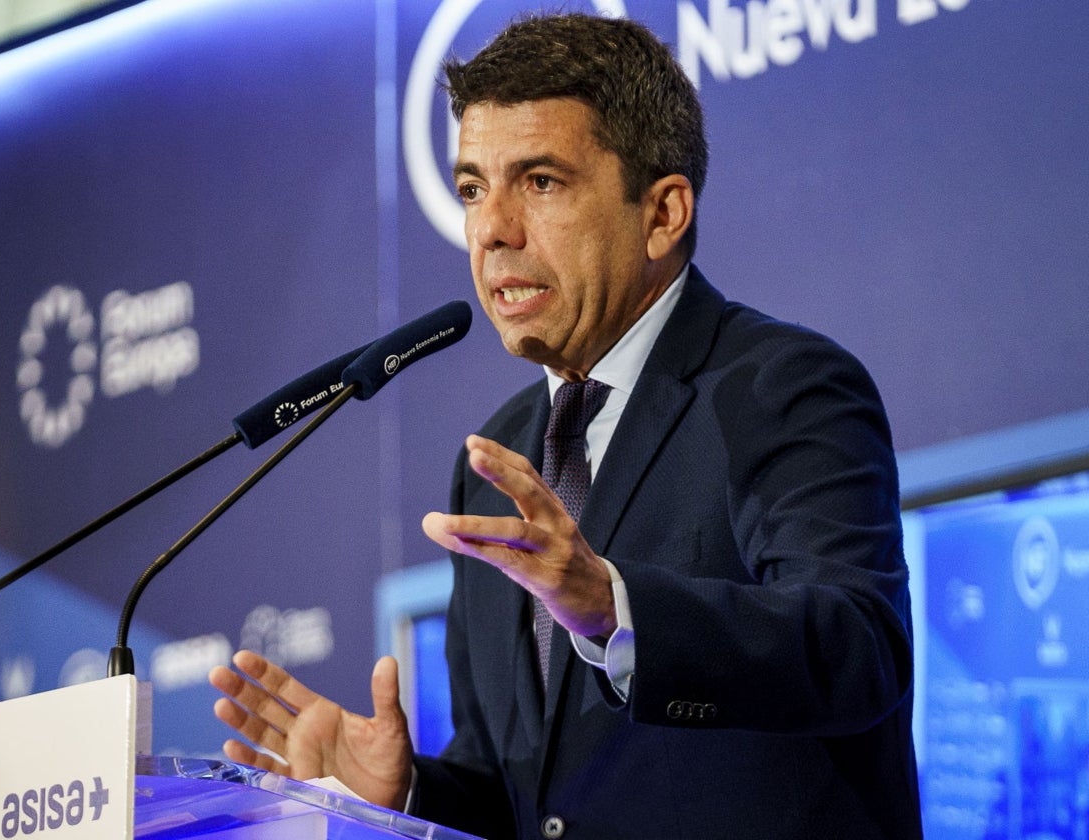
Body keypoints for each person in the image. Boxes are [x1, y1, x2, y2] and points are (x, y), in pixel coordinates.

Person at [209, 12, 922, 839]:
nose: (491, 231)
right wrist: (402, 795)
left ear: (662, 213)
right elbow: (530, 799)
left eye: (540, 182)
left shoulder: (781, 387)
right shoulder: (502, 451)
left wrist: (615, 607)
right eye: (473, 188)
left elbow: (857, 648)